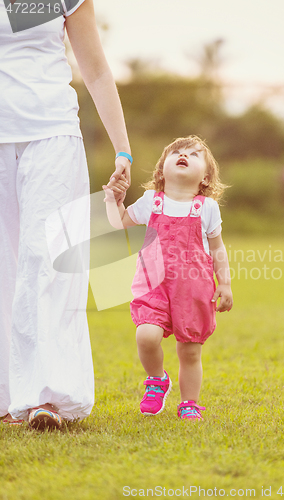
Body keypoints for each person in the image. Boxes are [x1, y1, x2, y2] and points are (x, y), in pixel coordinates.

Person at [0, 0, 131, 429]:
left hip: (53, 133)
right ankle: (7, 394)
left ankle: (47, 396)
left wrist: (122, 148)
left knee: (47, 260)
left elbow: (95, 70)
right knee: (5, 264)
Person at [103, 136, 233, 420]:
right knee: (146, 335)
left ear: (206, 177)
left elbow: (217, 248)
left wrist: (224, 283)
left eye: (193, 154)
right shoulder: (152, 202)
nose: (183, 155)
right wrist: (114, 201)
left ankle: (189, 403)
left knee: (189, 351)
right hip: (154, 285)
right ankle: (157, 379)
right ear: (161, 170)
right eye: (177, 152)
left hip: (194, 288)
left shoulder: (207, 208)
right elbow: (119, 222)